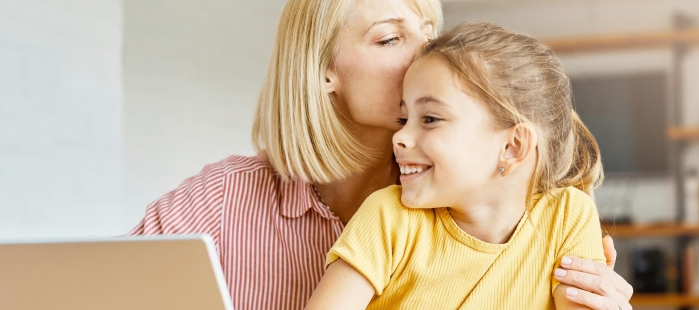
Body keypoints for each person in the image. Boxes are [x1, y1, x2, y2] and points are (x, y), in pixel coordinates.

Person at [129, 0, 633, 309]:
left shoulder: (513, 201)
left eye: (429, 35)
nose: (424, 55)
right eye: (391, 38)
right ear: (324, 70)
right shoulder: (221, 200)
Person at [305, 21, 627, 310]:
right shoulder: (388, 218)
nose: (400, 136)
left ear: (512, 147)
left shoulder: (568, 217)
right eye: (404, 119)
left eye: (429, 119)